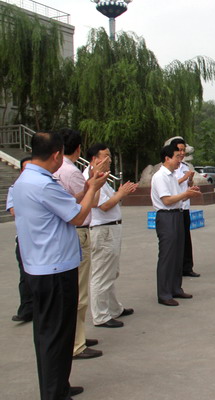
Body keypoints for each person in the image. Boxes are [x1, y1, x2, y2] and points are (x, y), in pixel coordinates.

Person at [13, 131, 108, 400]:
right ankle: (55, 393)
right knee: (56, 335)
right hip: (54, 270)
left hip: (40, 267)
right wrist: (93, 189)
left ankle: (57, 387)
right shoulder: (44, 184)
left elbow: (65, 206)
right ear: (56, 155)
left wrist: (88, 187)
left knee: (49, 334)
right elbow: (77, 217)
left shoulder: (26, 180)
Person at [54, 130, 103, 360]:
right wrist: (95, 184)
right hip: (78, 231)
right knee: (79, 292)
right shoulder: (71, 172)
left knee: (74, 290)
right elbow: (87, 202)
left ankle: (77, 335)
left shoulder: (56, 170)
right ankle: (76, 343)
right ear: (79, 149)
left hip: (68, 233)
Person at [84, 144, 137, 327]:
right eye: (106, 156)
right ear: (95, 159)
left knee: (110, 271)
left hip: (110, 229)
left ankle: (114, 308)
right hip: (103, 230)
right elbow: (103, 205)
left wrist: (120, 193)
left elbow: (108, 200)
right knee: (102, 273)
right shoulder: (92, 177)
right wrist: (121, 193)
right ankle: (101, 315)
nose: (110, 160)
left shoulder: (102, 177)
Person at [151, 144, 201, 306]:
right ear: (167, 158)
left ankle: (175, 288)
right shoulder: (160, 176)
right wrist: (185, 194)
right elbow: (167, 200)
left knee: (178, 254)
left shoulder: (172, 176)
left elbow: (177, 197)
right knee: (167, 256)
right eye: (177, 157)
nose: (180, 160)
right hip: (167, 217)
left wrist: (189, 194)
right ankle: (164, 293)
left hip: (177, 214)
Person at [7, 156, 33, 323]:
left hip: (43, 239)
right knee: (25, 275)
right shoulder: (15, 188)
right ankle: (26, 309)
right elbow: (13, 211)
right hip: (25, 239)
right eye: (25, 168)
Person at [170, 138, 200, 277]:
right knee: (174, 239)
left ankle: (187, 267)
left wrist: (190, 180)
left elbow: (187, 184)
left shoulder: (185, 167)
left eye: (183, 150)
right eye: (179, 150)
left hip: (185, 207)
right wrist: (184, 178)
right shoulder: (169, 167)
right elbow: (170, 185)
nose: (182, 153)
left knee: (186, 238)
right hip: (173, 208)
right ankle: (175, 268)